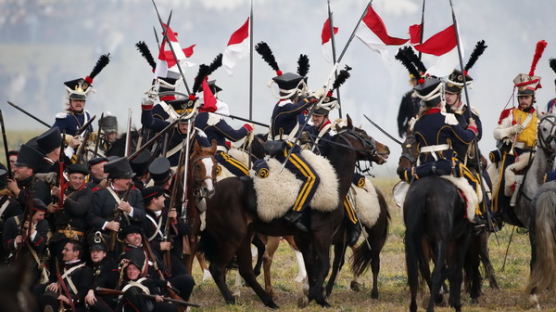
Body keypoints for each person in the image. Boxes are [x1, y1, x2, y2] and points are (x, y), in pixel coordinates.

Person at [256, 42, 320, 232]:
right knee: (312, 179)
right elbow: (301, 107)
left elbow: (301, 111)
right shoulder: (285, 106)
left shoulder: (286, 106)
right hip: (284, 153)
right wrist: (315, 96)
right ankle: (295, 212)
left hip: (288, 149)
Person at [492, 42, 546, 209]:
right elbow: (496, 133)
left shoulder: (540, 116)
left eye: (526, 97)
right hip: (515, 153)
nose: (523, 100)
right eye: (521, 97)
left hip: (536, 154)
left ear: (532, 98)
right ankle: (499, 211)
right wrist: (511, 130)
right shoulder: (511, 113)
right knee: (501, 180)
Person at [88, 157, 145, 255]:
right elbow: (91, 217)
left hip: (130, 242)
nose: (130, 181)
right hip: (108, 240)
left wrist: (129, 209)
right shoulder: (100, 195)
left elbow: (142, 215)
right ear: (116, 180)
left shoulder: (135, 193)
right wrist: (107, 224)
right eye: (127, 178)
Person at [36, 240, 92, 312]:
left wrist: (67, 299)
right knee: (38, 289)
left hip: (72, 305)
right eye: (63, 249)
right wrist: (54, 284)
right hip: (58, 299)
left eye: (66, 250)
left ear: (76, 253)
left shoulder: (85, 270)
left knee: (49, 298)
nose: (63, 252)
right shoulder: (63, 267)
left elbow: (83, 292)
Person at [3, 199, 49, 283]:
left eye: (43, 215)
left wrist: (33, 232)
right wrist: (15, 242)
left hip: (33, 266)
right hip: (13, 264)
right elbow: (4, 245)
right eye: (40, 215)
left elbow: (41, 247)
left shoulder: (44, 223)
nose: (42, 218)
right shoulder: (12, 222)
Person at [85, 235, 119, 312]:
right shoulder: (90, 265)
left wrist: (91, 290)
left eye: (98, 251)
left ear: (104, 254)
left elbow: (103, 279)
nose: (95, 254)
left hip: (108, 299)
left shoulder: (110, 264)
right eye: (93, 251)